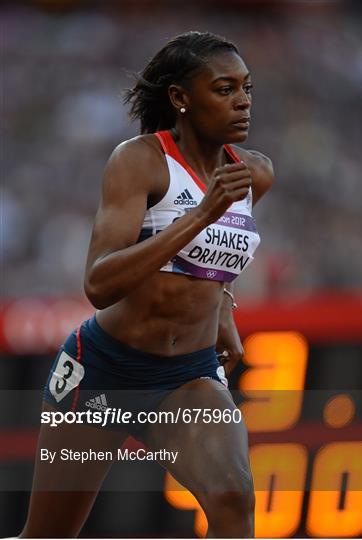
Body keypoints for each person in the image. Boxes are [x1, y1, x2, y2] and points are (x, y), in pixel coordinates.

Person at [20, 31, 274, 538]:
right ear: (180, 98)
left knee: (233, 498)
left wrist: (223, 309)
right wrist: (202, 213)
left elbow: (216, 256)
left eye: (247, 88)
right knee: (47, 537)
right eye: (224, 89)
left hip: (189, 375)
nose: (243, 101)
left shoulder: (254, 173)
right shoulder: (139, 161)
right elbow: (99, 282)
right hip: (104, 372)